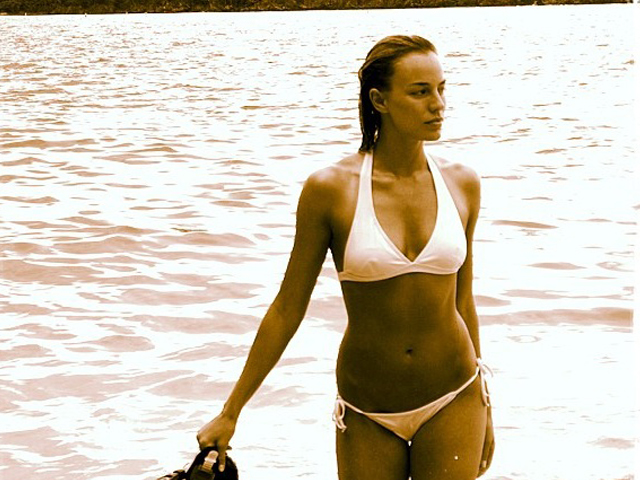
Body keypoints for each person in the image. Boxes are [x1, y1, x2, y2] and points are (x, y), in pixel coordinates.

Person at [197, 35, 494, 480]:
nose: (438, 104)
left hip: (455, 395)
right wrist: (231, 411)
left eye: (441, 89)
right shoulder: (331, 190)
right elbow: (287, 308)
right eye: (420, 92)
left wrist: (485, 402)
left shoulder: (462, 183)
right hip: (367, 408)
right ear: (380, 100)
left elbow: (463, 301)